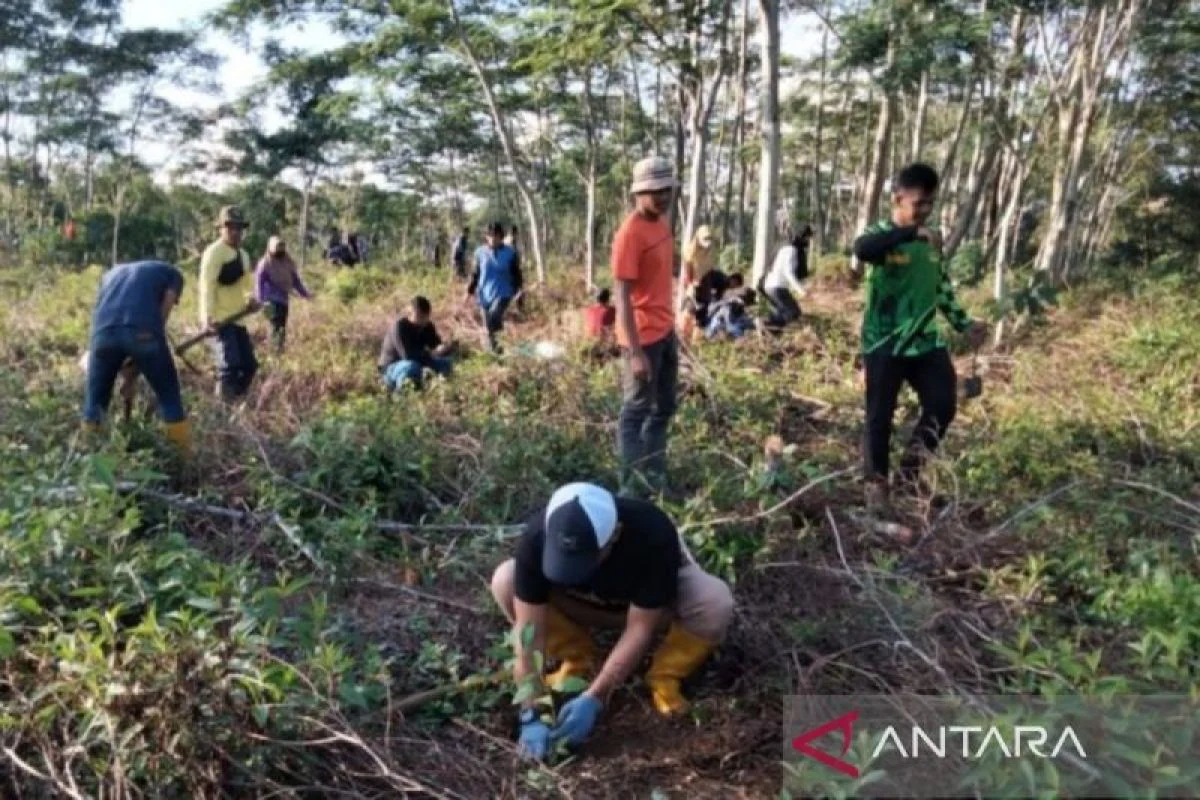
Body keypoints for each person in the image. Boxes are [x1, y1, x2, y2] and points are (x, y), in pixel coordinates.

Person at [490, 482, 734, 762]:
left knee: (714, 601)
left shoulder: (651, 532)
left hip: (650, 613)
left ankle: (663, 676)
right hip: (582, 606)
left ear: (614, 535)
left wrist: (594, 697)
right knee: (505, 580)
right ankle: (577, 659)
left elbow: (639, 628)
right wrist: (530, 712)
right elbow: (529, 635)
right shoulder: (536, 538)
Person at [852, 163, 988, 513]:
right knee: (879, 416)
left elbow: (940, 286)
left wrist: (964, 324)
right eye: (918, 203)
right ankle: (876, 486)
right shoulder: (881, 234)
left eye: (930, 203)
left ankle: (909, 476)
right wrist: (910, 233)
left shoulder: (932, 240)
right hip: (884, 342)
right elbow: (863, 249)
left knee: (942, 405)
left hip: (925, 342)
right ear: (898, 199)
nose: (925, 210)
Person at [612, 156, 679, 498]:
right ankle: (630, 490)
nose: (663, 196)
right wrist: (636, 352)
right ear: (639, 192)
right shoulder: (630, 234)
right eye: (656, 191)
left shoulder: (662, 224)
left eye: (667, 189)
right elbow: (621, 295)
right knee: (635, 412)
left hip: (666, 331)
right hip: (642, 337)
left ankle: (655, 479)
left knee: (664, 407)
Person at [81, 260, 191, 453]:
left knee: (95, 403)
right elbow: (162, 315)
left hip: (102, 335)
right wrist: (147, 341)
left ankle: (89, 457)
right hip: (143, 332)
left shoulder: (109, 275)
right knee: (170, 398)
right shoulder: (173, 274)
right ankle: (181, 458)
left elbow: (111, 321)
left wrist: (130, 375)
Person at [200, 206, 260, 401]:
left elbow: (246, 284)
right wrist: (207, 318)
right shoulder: (214, 252)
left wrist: (251, 299)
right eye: (230, 227)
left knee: (249, 366)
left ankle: (235, 402)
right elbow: (207, 286)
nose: (235, 232)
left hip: (237, 319)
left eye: (239, 228)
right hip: (219, 320)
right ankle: (222, 410)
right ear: (221, 228)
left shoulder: (244, 255)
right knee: (229, 366)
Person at [378, 295, 454, 392]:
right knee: (411, 367)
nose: (422, 320)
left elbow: (436, 344)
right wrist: (431, 354)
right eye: (419, 316)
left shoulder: (427, 326)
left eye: (425, 317)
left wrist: (444, 348)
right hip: (392, 367)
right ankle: (401, 393)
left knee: (446, 363)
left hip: (419, 362)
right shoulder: (400, 327)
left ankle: (436, 387)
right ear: (411, 312)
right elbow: (407, 355)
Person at [468, 221, 523, 353]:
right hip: (484, 294)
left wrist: (519, 291)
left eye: (496, 236)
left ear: (501, 236)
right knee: (490, 326)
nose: (493, 239)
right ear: (486, 236)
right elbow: (475, 274)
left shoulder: (510, 253)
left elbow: (516, 274)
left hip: (503, 292)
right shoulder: (479, 253)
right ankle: (496, 352)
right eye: (490, 235)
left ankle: (496, 348)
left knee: (494, 316)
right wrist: (469, 291)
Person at [255, 235, 310, 354]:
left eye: (281, 247)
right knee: (275, 327)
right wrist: (261, 301)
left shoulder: (287, 262)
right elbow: (259, 284)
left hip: (283, 301)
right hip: (270, 302)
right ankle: (274, 352)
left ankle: (278, 351)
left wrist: (305, 294)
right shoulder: (265, 264)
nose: (280, 250)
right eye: (277, 248)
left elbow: (295, 281)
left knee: (281, 328)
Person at [762, 227, 812, 329]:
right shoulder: (791, 250)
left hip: (772, 286)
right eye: (807, 239)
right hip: (776, 287)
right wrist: (801, 291)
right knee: (793, 313)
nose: (807, 242)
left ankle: (771, 328)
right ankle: (765, 323)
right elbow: (788, 272)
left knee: (784, 312)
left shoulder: (785, 248)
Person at [681, 224, 718, 323]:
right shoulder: (690, 252)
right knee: (690, 308)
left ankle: (701, 323)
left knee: (704, 308)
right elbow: (688, 270)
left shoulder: (710, 251)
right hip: (693, 283)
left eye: (709, 238)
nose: (708, 242)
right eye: (705, 239)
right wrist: (691, 285)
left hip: (706, 281)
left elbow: (710, 266)